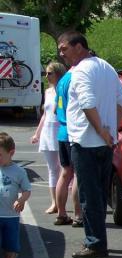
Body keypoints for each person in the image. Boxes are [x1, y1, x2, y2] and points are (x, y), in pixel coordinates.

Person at [57, 31, 122, 258]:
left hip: (85, 142)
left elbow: (87, 104)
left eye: (64, 48)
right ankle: (97, 241)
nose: (61, 54)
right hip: (103, 144)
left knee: (90, 195)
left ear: (79, 47)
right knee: (97, 194)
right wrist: (111, 133)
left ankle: (95, 243)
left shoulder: (79, 71)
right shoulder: (106, 66)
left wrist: (102, 131)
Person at [31, 62, 66, 214]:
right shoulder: (48, 92)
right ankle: (54, 203)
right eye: (46, 73)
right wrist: (37, 133)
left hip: (61, 132)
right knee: (52, 170)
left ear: (58, 73)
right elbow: (45, 114)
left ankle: (63, 203)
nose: (46, 76)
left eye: (49, 73)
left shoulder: (64, 89)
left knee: (66, 170)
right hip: (47, 133)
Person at [0, 132, 31, 258]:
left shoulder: (18, 171)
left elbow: (26, 190)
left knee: (11, 244)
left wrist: (22, 200)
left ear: (11, 153)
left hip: (11, 215)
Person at [54, 65, 82, 227]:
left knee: (65, 173)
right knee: (78, 174)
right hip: (73, 132)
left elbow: (56, 108)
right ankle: (78, 215)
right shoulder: (76, 78)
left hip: (62, 132)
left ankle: (61, 213)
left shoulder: (62, 80)